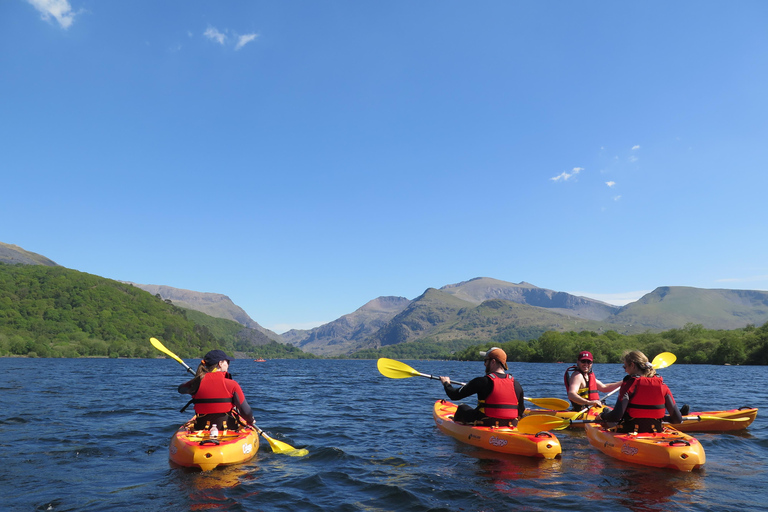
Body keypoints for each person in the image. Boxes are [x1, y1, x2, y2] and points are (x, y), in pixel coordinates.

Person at [598, 350, 683, 433]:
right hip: (656, 430)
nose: (625, 371)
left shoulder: (629, 385)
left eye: (625, 367)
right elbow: (678, 419)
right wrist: (663, 418)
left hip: (630, 431)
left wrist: (602, 416)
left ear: (632, 365)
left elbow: (616, 416)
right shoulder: (663, 385)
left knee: (606, 412)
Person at [438, 347, 525, 427]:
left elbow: (454, 395)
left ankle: (457, 425)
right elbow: (521, 411)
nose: (484, 364)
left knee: (462, 408)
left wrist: (446, 383)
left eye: (486, 360)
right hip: (510, 424)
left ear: (493, 362)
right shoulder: (516, 384)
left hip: (485, 422)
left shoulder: (482, 381)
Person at [178, 349, 255, 431]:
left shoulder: (196, 383)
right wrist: (250, 420)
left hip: (200, 428)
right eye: (227, 362)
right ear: (220, 363)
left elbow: (181, 389)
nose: (228, 365)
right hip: (227, 429)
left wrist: (196, 380)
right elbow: (246, 412)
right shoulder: (232, 384)